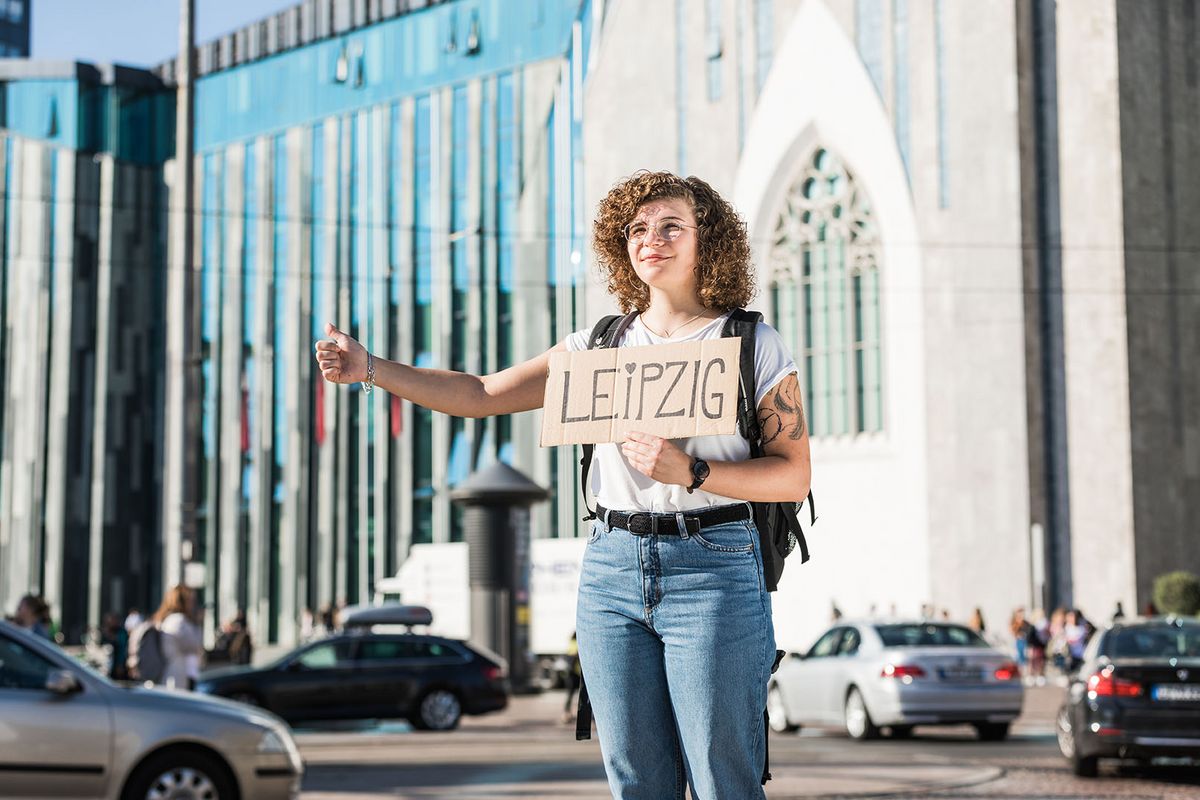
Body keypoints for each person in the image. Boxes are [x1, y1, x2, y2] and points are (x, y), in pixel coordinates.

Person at [315, 171, 812, 798]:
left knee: (723, 781)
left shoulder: (748, 342)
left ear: (705, 240)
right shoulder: (596, 347)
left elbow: (794, 472)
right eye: (636, 229)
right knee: (634, 780)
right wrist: (371, 369)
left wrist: (693, 472)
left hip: (712, 566)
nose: (649, 239)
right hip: (610, 568)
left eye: (669, 227)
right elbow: (479, 394)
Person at [152, 585, 204, 690]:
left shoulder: (167, 619)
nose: (193, 605)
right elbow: (195, 644)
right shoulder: (179, 621)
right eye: (191, 600)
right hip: (178, 673)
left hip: (171, 671)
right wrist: (198, 623)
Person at [562, 631, 582, 725]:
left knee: (569, 695)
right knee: (582, 695)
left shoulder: (570, 644)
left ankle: (567, 713)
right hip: (576, 673)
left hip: (569, 674)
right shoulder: (577, 644)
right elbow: (576, 657)